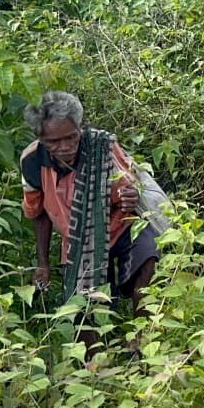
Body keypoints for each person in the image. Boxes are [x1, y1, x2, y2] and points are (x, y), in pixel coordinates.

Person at [21, 91, 161, 333]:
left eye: (71, 137)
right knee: (85, 310)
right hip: (78, 238)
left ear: (79, 129)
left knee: (145, 282)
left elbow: (130, 181)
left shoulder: (101, 146)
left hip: (123, 224)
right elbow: (38, 212)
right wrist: (43, 264)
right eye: (54, 142)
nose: (65, 147)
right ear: (41, 139)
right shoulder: (32, 161)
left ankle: (142, 340)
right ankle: (96, 354)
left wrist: (131, 195)